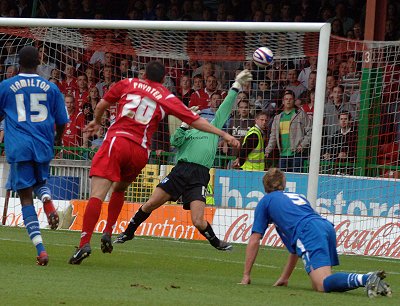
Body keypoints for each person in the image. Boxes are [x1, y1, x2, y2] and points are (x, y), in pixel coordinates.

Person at [68, 60, 241, 265]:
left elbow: (102, 105)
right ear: (163, 79)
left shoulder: (128, 83)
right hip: (140, 151)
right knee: (120, 189)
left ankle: (84, 242)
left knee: (97, 193)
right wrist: (223, 134)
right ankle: (109, 231)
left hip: (119, 140)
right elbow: (193, 123)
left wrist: (96, 121)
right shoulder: (166, 96)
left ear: (144, 75)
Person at [113, 70, 253, 250]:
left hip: (200, 175)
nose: (203, 117)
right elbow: (174, 142)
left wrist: (236, 85)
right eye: (198, 116)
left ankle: (217, 243)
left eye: (204, 115)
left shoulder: (214, 127)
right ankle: (128, 232)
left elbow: (225, 106)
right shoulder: (188, 130)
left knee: (197, 220)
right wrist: (184, 125)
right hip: (181, 171)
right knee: (150, 203)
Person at [240, 168, 392, 298]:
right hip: (324, 226)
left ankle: (366, 279)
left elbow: (254, 239)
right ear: (283, 184)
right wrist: (285, 277)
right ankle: (371, 281)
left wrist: (246, 275)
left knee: (322, 283)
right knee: (319, 283)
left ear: (265, 187)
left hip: (309, 231)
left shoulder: (266, 201)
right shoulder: (297, 197)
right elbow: (297, 247)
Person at [0, 46, 69, 265]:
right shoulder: (51, 87)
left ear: (17, 63)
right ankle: (47, 199)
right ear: (39, 63)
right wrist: (57, 139)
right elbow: (62, 121)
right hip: (43, 144)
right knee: (40, 181)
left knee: (25, 197)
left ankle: (41, 250)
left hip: (19, 147)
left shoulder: (6, 86)